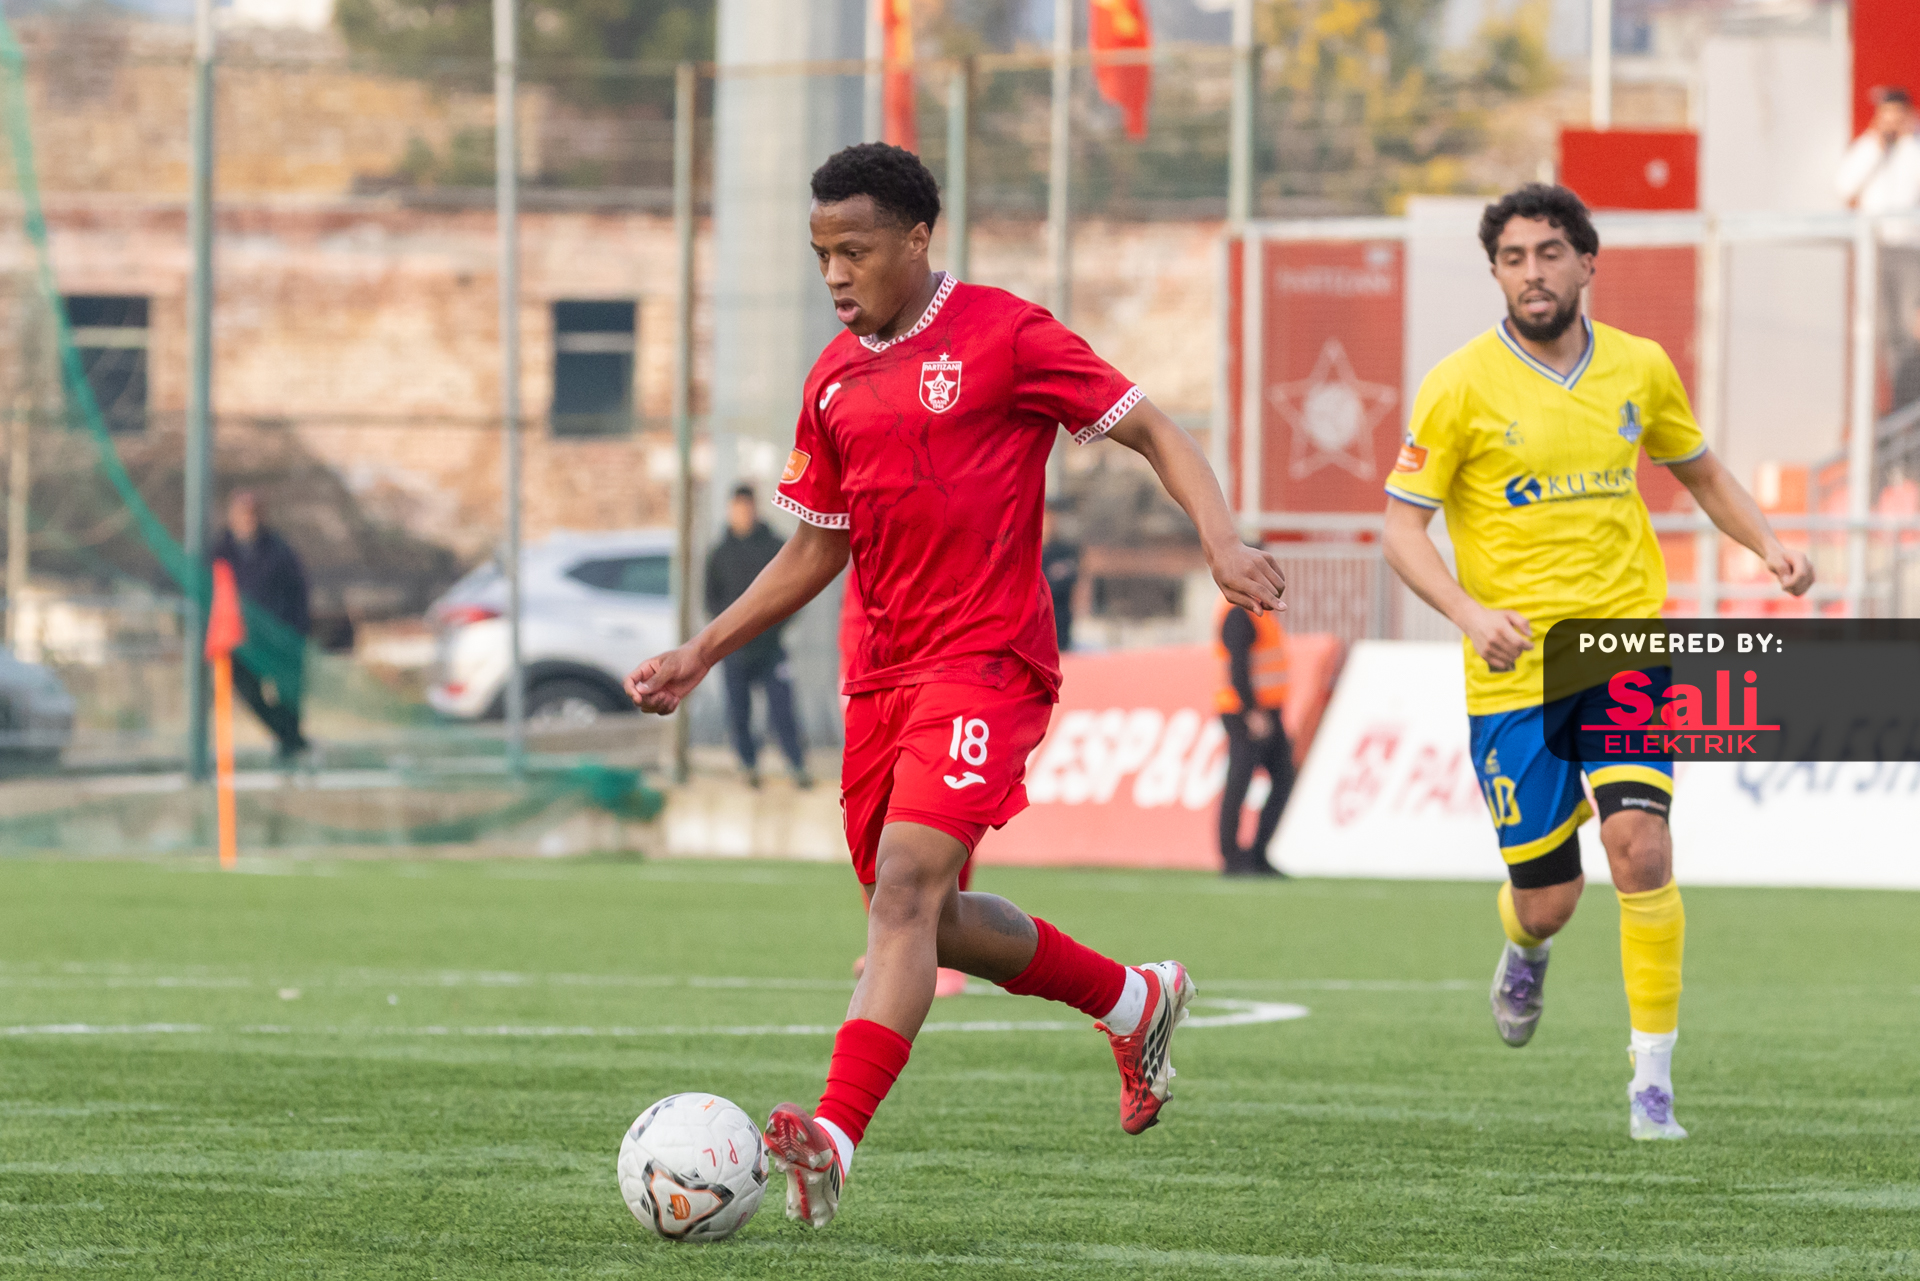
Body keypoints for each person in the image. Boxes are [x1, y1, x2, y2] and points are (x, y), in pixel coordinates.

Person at [627, 142, 1285, 1227]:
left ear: (918, 237)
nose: (835, 274)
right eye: (821, 254)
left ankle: (833, 1142)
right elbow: (816, 545)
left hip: (989, 659)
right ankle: (1135, 999)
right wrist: (703, 649)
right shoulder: (832, 380)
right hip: (881, 679)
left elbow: (1153, 429)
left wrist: (1219, 540)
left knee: (903, 893)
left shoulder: (1006, 336)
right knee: (926, 917)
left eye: (854, 250)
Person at [1382, 183, 1814, 1141]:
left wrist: (1769, 545)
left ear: (1586, 261)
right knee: (1549, 900)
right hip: (1513, 671)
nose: (1531, 273)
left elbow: (1701, 470)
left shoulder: (1639, 366)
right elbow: (1401, 530)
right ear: (1496, 274)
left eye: (1548, 253)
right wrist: (1469, 613)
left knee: (1641, 848)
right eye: (1512, 259)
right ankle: (1523, 946)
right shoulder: (1458, 385)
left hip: (1622, 648)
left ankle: (1651, 1083)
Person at [705, 484, 811, 789]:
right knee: (738, 711)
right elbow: (711, 600)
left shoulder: (774, 546)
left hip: (770, 646)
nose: (742, 514)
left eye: (746, 508)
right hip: (735, 648)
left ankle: (796, 765)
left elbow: (795, 591)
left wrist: (772, 624)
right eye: (737, 509)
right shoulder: (719, 553)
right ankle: (747, 766)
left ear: (755, 508)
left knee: (782, 709)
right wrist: (730, 630)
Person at [208, 490, 311, 762]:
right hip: (241, 641)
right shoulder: (221, 552)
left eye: (253, 514)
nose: (248, 520)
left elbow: (297, 593)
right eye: (242, 514)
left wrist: (295, 631)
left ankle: (291, 747)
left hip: (279, 636)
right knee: (249, 693)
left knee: (288, 695)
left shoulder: (279, 551)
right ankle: (291, 739)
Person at [1838, 86, 1920, 368]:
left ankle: (1909, 389)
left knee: (1909, 324)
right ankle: (1891, 388)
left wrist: (1907, 141)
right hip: (1875, 248)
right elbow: (1844, 186)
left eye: (1897, 115)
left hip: (1910, 249)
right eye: (1886, 114)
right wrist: (1877, 146)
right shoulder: (1868, 147)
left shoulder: (1914, 148)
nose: (1891, 121)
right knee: (1880, 325)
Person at [1214, 597, 1292, 878]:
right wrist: (1251, 710)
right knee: (1239, 782)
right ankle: (1232, 858)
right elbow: (1238, 666)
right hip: (1245, 712)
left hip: (1266, 710)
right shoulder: (1238, 612)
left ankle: (1257, 855)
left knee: (1283, 777)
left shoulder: (1257, 610)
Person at [1040, 504, 1081, 652]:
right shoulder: (1026, 550)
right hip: (1033, 625)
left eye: (1051, 521)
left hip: (1059, 624)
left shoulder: (1064, 552)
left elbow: (1068, 581)